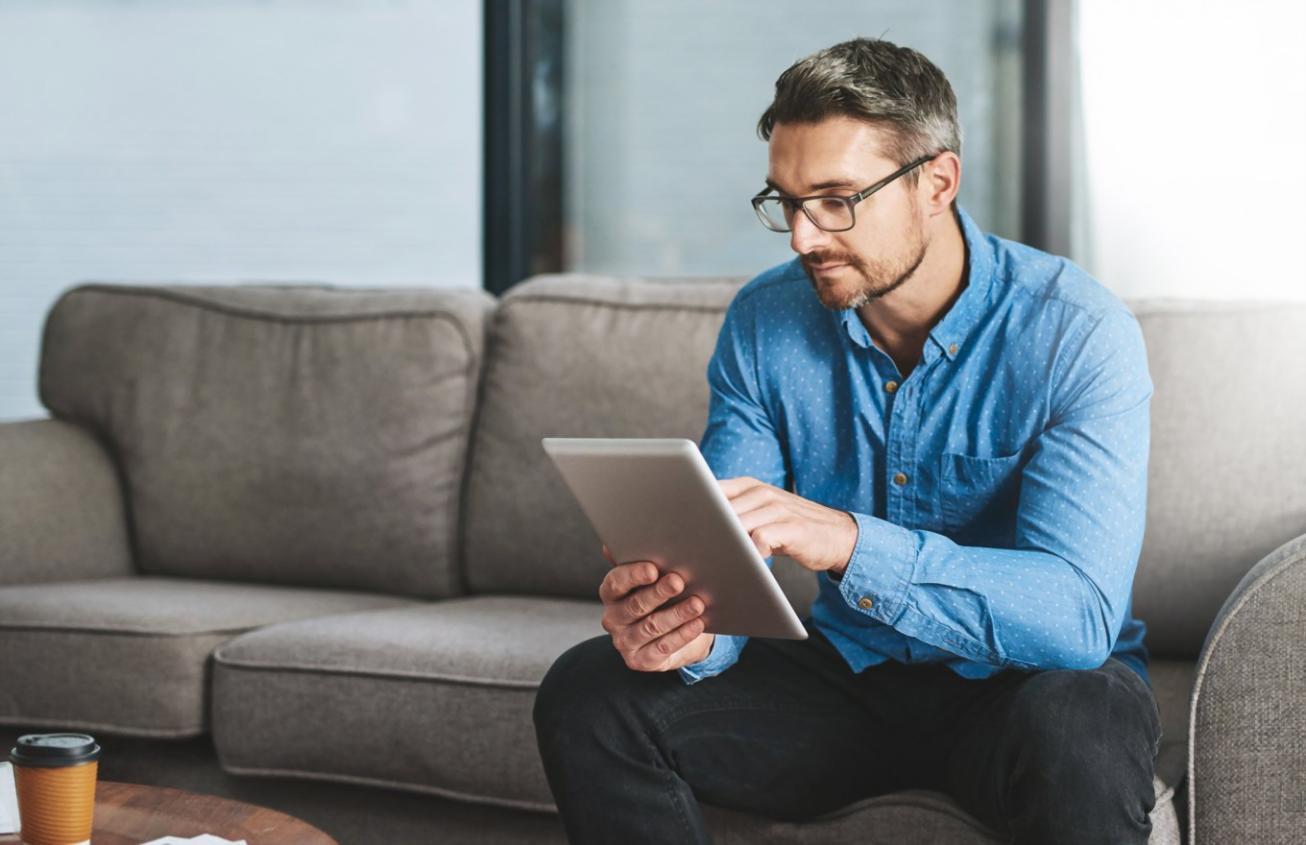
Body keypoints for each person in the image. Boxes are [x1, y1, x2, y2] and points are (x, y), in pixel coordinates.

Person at [533, 37, 1161, 845]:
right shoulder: (765, 323)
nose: (802, 237)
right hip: (847, 684)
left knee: (1084, 717)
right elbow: (728, 568)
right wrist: (685, 630)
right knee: (590, 690)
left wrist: (848, 542)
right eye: (787, 202)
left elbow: (1077, 616)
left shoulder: (1076, 332)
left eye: (835, 199)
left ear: (937, 183)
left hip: (1021, 687)